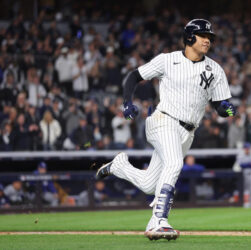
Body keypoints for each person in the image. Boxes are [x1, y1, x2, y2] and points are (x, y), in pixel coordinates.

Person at [95, 19, 237, 241]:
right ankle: (158, 221)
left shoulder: (216, 69)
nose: (207, 40)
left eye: (209, 37)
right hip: (163, 120)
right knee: (174, 164)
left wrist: (227, 110)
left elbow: (221, 106)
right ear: (190, 37)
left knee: (150, 185)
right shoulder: (167, 60)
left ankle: (119, 166)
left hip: (187, 132)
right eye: (203, 36)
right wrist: (126, 103)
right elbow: (134, 76)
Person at [235, 142, 251, 208]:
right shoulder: (241, 155)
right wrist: (249, 164)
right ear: (244, 149)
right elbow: (241, 165)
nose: (247, 149)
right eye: (246, 148)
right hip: (244, 173)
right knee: (245, 189)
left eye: (248, 148)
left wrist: (248, 164)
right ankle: (245, 202)